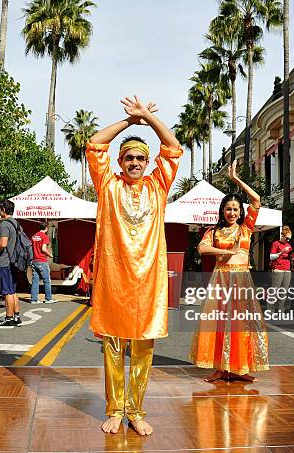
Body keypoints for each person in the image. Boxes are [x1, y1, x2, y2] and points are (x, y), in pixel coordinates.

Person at [86, 95, 182, 436]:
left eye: (142, 157)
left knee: (143, 348)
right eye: (129, 157)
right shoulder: (107, 185)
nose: (136, 162)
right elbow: (95, 144)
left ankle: (136, 411)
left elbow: (173, 148)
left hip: (148, 281)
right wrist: (130, 123)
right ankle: (114, 410)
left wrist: (149, 120)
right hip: (113, 279)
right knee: (113, 347)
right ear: (121, 161)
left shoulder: (158, 185)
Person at [190, 161, 269, 384]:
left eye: (235, 209)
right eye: (228, 209)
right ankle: (219, 368)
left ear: (240, 211)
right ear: (222, 211)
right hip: (221, 278)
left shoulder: (246, 228)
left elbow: (256, 200)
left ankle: (238, 367)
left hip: (241, 279)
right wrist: (225, 252)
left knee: (240, 324)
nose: (232, 212)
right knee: (218, 323)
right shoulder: (214, 230)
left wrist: (236, 180)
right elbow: (202, 248)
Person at [0, 200, 23, 328]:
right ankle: (16, 316)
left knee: (7, 292)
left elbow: (3, 243)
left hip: (6, 261)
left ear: (4, 209)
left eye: (0, 209)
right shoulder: (17, 224)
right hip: (15, 261)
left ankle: (8, 318)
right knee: (13, 290)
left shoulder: (4, 224)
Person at [269, 225, 294, 313]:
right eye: (287, 238)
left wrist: (293, 255)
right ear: (282, 236)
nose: (288, 240)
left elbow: (290, 258)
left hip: (287, 268)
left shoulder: (289, 245)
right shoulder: (276, 244)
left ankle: (280, 308)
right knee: (275, 289)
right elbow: (271, 257)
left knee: (284, 290)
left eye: (289, 239)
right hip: (278, 268)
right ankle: (271, 308)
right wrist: (282, 252)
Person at [30, 220, 56, 304]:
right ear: (46, 228)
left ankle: (34, 299)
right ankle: (48, 298)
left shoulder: (34, 236)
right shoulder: (44, 237)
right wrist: (50, 255)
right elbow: (43, 249)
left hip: (34, 260)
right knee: (47, 280)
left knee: (35, 280)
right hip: (42, 260)